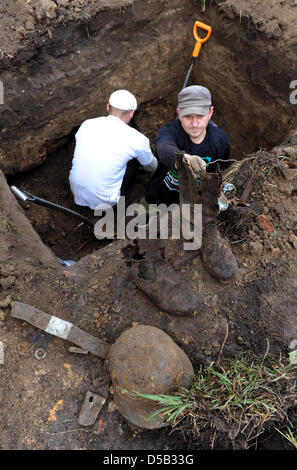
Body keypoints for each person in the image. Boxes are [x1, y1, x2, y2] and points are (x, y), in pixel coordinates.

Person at [69, 89, 158, 210]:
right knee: (135, 161)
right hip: (105, 201)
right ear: (132, 113)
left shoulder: (87, 124)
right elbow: (151, 167)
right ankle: (122, 200)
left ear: (107, 107)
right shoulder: (137, 139)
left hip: (77, 191)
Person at [145, 85, 230, 206]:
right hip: (159, 198)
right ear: (179, 113)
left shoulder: (220, 141)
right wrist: (184, 160)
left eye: (200, 116)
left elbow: (222, 174)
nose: (195, 124)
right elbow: (163, 147)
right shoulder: (170, 131)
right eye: (188, 116)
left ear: (210, 112)